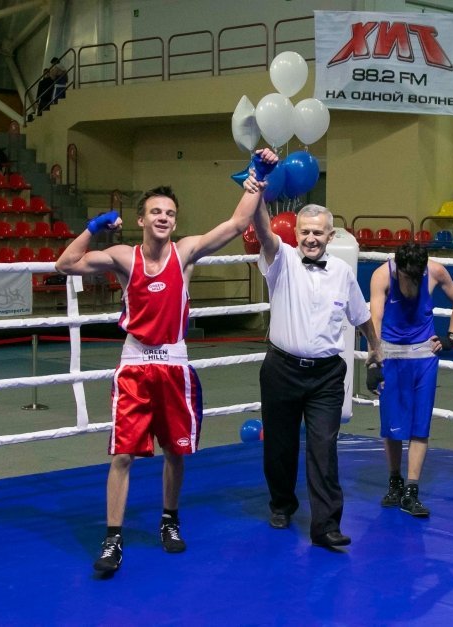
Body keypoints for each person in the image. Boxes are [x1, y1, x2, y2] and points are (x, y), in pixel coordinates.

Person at [54, 148, 278, 576]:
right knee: (122, 455)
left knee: (176, 453)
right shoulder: (123, 257)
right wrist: (92, 228)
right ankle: (113, 539)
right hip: (135, 367)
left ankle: (169, 521)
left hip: (174, 365)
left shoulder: (185, 252)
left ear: (175, 221)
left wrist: (256, 178)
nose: (163, 217)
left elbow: (236, 224)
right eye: (155, 211)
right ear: (142, 219)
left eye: (169, 213)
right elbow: (65, 264)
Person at [250, 190, 382, 548]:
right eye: (305, 231)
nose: (310, 238)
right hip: (281, 370)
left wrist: (375, 347)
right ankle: (281, 503)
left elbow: (361, 315)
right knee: (279, 446)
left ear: (330, 235)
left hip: (326, 375)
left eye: (318, 232)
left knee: (324, 447)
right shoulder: (280, 260)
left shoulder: (342, 272)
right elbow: (263, 231)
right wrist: (257, 192)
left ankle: (325, 525)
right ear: (296, 234)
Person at [368, 243, 453, 517]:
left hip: (424, 358)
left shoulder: (435, 272)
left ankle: (412, 490)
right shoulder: (381, 276)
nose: (412, 282)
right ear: (398, 268)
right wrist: (374, 361)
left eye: (416, 276)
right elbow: (375, 319)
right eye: (407, 276)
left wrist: (452, 337)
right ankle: (394, 482)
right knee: (391, 426)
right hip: (391, 356)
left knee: (419, 425)